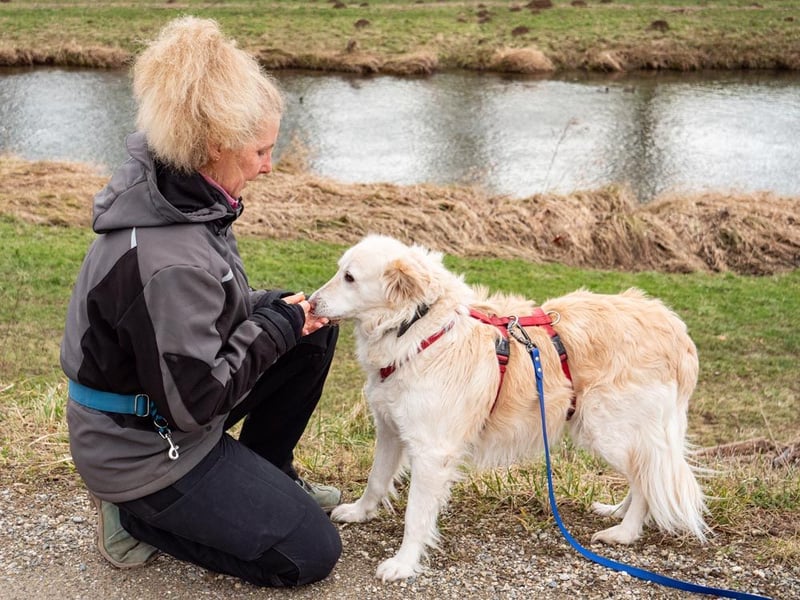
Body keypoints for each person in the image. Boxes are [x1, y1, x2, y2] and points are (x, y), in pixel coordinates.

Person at [60, 16, 342, 587]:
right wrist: (274, 325)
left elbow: (196, 324)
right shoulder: (173, 256)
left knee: (315, 329)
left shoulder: (181, 193)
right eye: (260, 151)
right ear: (215, 146)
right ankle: (135, 518)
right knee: (310, 553)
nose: (269, 165)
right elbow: (195, 403)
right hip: (142, 451)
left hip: (158, 407)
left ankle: (268, 474)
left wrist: (281, 318)